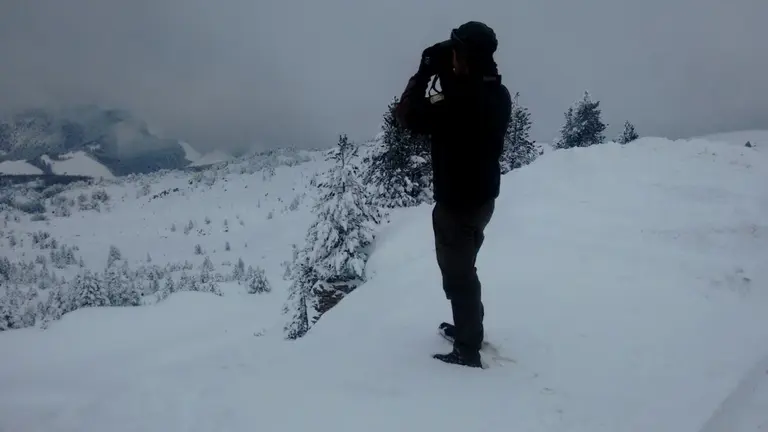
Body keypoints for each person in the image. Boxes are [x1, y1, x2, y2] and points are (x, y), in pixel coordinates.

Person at [395, 21, 512, 368]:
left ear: (466, 57)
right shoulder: (496, 93)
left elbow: (407, 115)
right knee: (466, 268)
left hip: (458, 204)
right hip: (482, 199)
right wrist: (450, 73)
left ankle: (468, 348)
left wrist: (425, 70)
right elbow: (462, 96)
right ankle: (467, 327)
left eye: (456, 50)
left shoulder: (459, 102)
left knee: (459, 276)